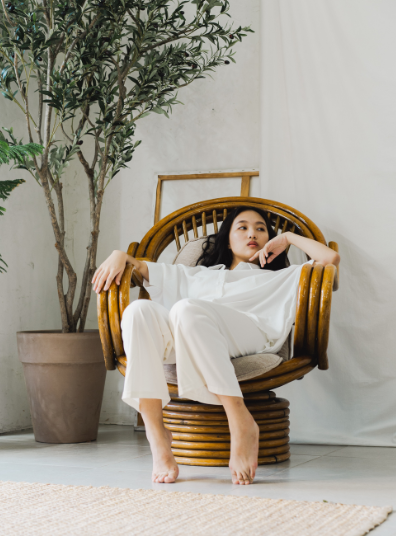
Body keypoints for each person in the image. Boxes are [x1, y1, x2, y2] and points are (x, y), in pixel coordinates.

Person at [92, 207, 340, 486]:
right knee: (138, 311)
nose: (252, 234)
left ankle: (240, 420)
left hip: (250, 334)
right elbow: (137, 266)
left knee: (187, 309)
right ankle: (157, 433)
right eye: (242, 227)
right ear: (227, 239)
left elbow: (330, 259)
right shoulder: (197, 274)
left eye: (261, 229)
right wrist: (118, 255)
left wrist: (288, 238)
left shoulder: (283, 276)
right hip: (190, 334)